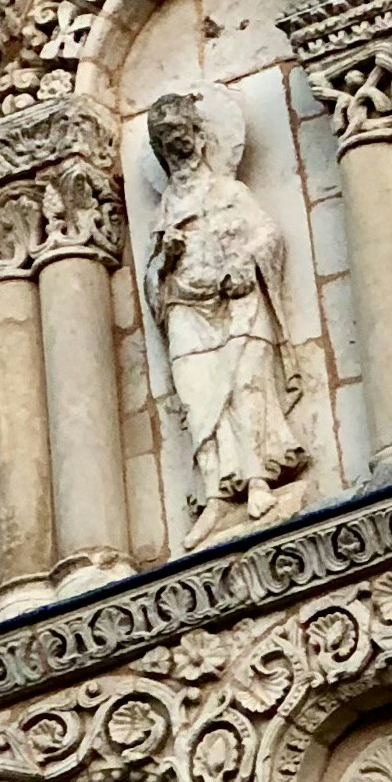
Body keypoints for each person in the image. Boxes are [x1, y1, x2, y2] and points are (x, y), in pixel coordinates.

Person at [143, 91, 306, 526]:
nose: (177, 146)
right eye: (166, 140)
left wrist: (243, 262)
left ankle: (256, 481)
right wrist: (166, 259)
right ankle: (216, 490)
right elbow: (152, 278)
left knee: (246, 385)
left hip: (236, 303)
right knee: (197, 395)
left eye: (182, 134)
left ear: (200, 138)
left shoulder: (230, 191)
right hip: (186, 309)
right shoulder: (165, 211)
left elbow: (268, 236)